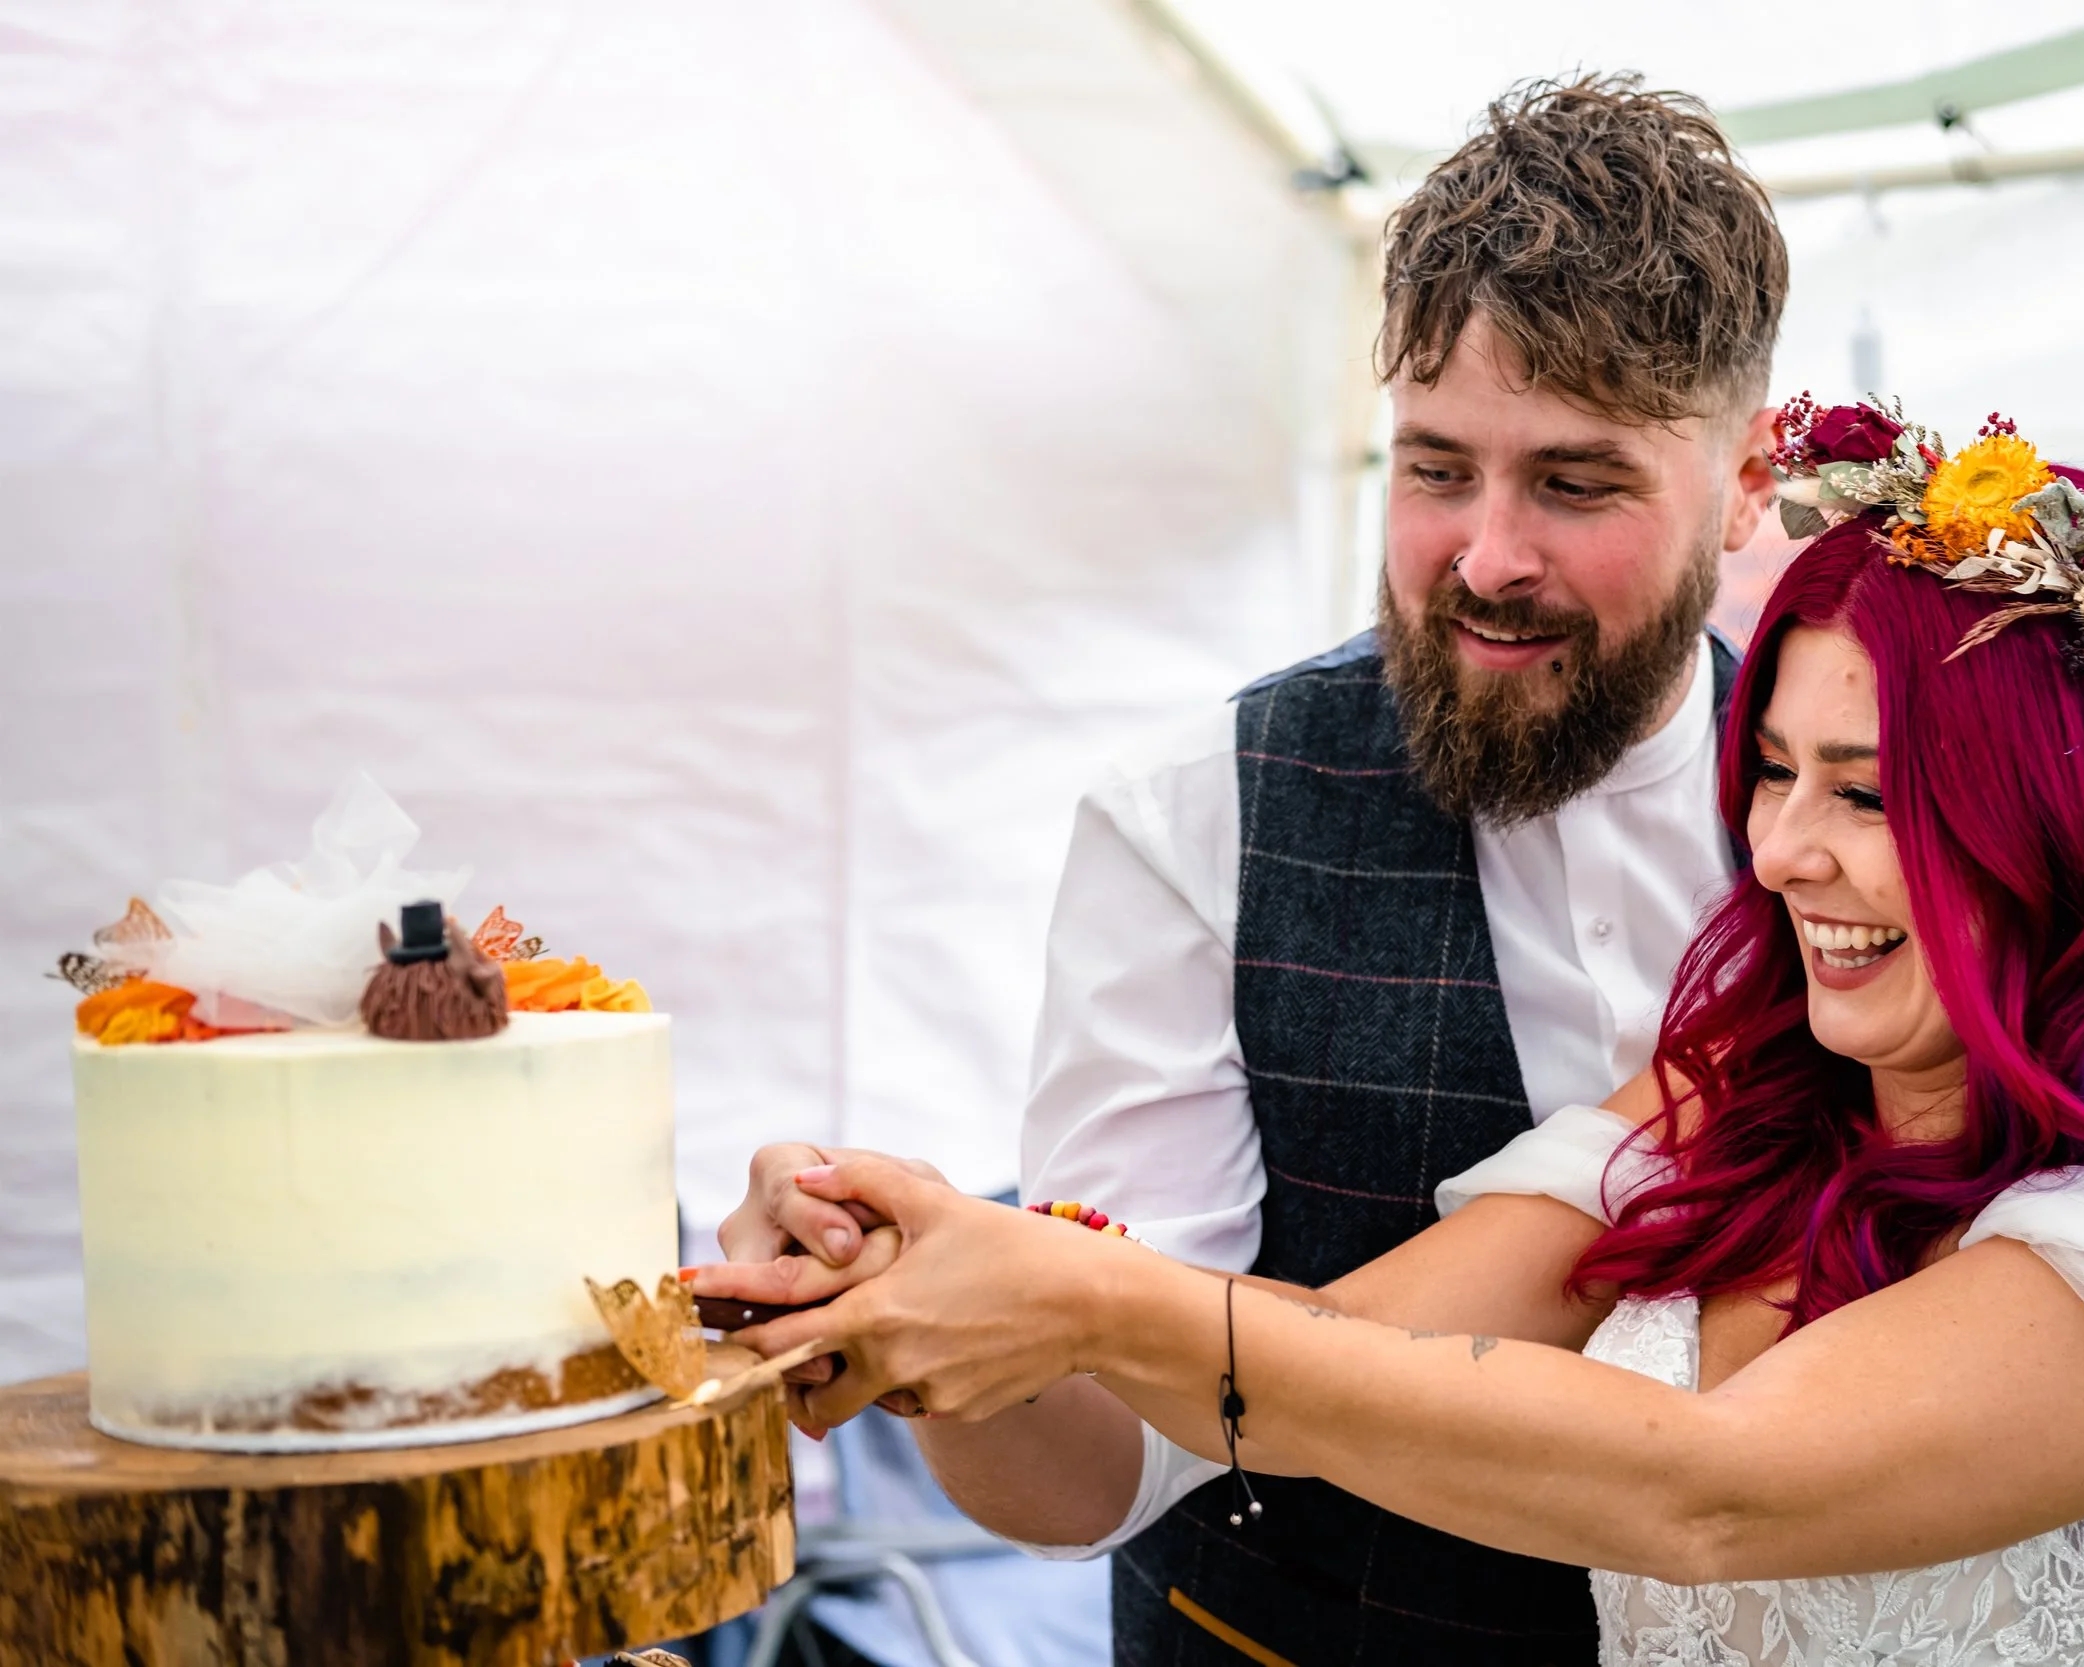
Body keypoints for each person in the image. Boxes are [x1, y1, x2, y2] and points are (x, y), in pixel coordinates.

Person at [691, 404, 2084, 1667]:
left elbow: (1715, 1492)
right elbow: (1299, 1367)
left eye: (1868, 794)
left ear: (2067, 821)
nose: (1786, 849)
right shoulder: (1738, 1085)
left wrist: (1081, 1293)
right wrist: (921, 1249)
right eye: (1778, 773)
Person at [708, 71, 1789, 1666]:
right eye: (1433, 469)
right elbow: (1096, 1466)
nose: (1486, 557)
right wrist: (913, 1320)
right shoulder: (1192, 818)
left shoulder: (1878, 803)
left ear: (1747, 477)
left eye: (1574, 482)